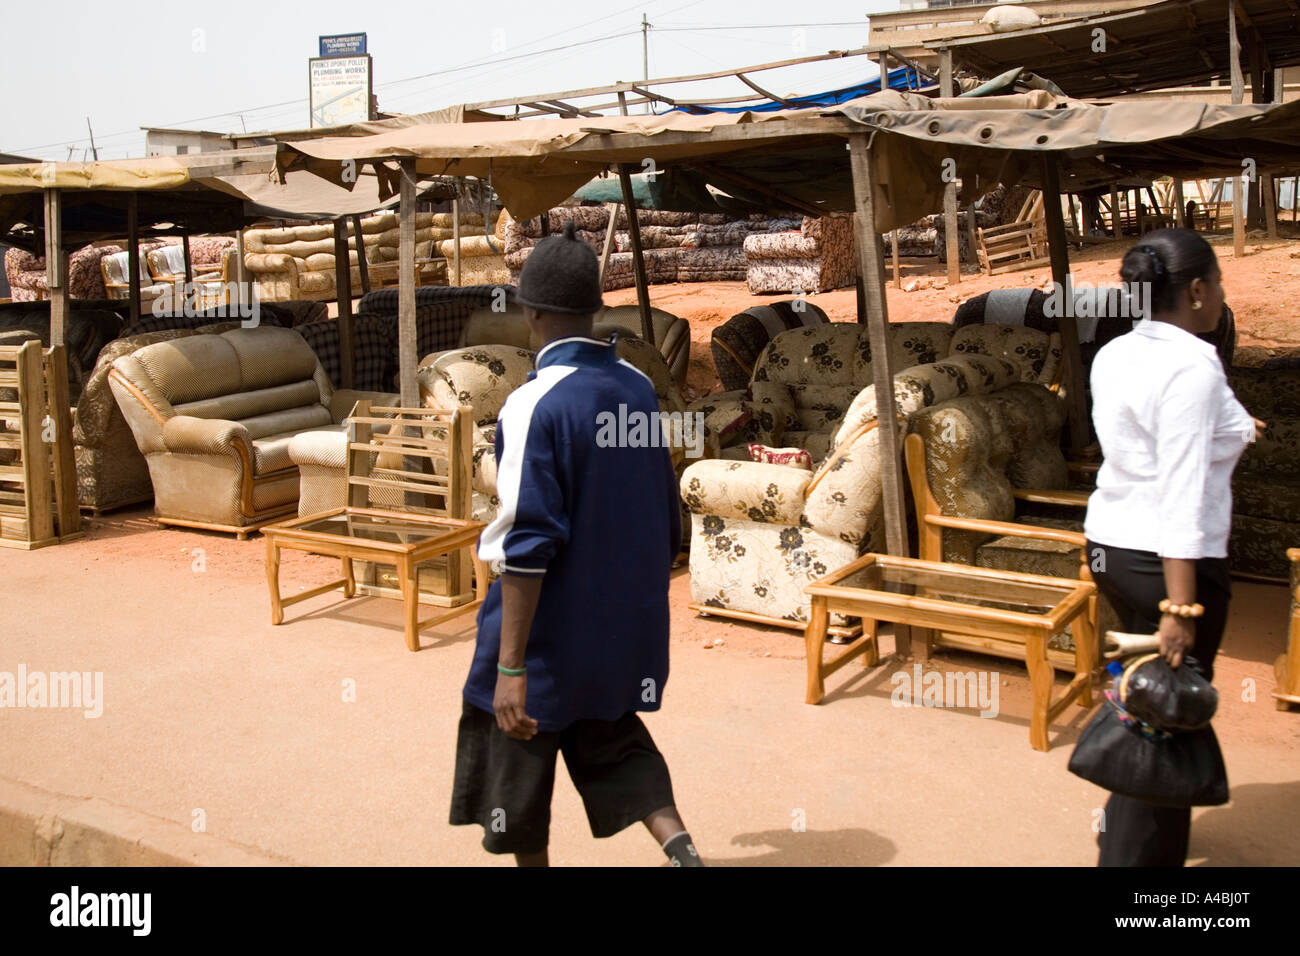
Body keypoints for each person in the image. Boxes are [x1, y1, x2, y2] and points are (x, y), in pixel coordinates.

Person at [449, 221, 703, 867]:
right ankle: (682, 851)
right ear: (594, 307)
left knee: (519, 776)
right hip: (623, 633)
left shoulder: (533, 406)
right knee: (615, 742)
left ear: (529, 310)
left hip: (546, 643)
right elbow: (663, 514)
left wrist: (510, 668)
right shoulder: (636, 388)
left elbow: (527, 545)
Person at [1083, 228, 1261, 867]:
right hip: (1170, 563)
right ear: (1194, 289)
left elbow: (1156, 443)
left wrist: (1235, 430)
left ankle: (1116, 823)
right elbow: (1181, 492)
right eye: (1218, 283)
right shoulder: (1191, 365)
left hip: (1112, 548)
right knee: (1168, 714)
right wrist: (1180, 609)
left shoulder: (1116, 354)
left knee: (1139, 696)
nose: (1221, 296)